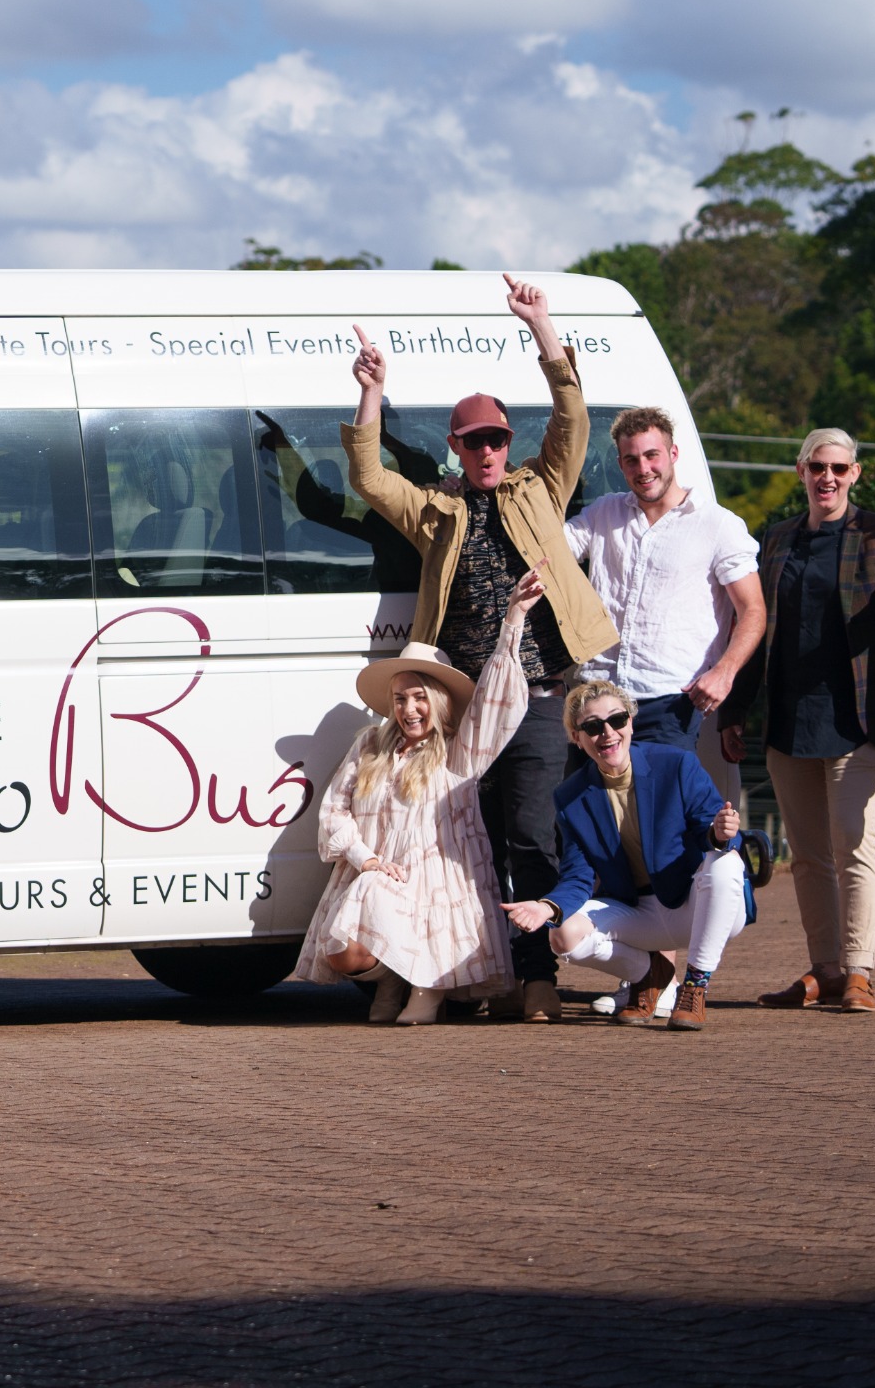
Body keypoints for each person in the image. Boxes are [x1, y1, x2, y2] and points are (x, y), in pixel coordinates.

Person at [341, 276, 621, 1024]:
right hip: (460, 703)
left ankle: (535, 980)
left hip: (534, 697)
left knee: (530, 840)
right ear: (457, 448)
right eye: (475, 441)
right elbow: (368, 477)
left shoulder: (542, 487)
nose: (490, 450)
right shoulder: (437, 508)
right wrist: (372, 391)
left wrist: (541, 326)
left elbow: (573, 416)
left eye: (498, 437)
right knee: (458, 846)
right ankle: (470, 974)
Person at [723, 428, 875, 1014]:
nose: (827, 477)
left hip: (858, 719)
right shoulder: (777, 540)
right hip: (790, 720)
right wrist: (736, 710)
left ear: (855, 473)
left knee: (854, 842)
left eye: (838, 468)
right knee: (807, 854)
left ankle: (860, 971)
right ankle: (827, 970)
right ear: (801, 470)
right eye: (816, 467)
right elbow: (755, 627)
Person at [295, 573, 546, 1025]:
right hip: (380, 871)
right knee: (342, 955)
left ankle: (426, 986)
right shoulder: (371, 744)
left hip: (436, 883)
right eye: (399, 699)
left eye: (418, 697)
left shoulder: (460, 751)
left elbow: (496, 699)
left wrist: (514, 620)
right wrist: (365, 858)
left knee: (406, 1005)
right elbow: (334, 807)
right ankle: (394, 977)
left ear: (438, 699)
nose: (409, 709)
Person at [505, 680, 750, 1031]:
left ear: (631, 723)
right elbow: (578, 874)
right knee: (562, 934)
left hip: (697, 906)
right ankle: (650, 973)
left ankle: (695, 986)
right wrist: (547, 907)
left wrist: (720, 833)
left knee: (725, 862)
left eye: (616, 720)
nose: (607, 733)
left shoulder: (677, 763)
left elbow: (711, 830)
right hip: (640, 913)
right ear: (577, 738)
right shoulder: (571, 795)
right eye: (592, 727)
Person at [564, 408, 764, 804]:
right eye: (632, 459)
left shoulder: (717, 524)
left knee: (663, 827)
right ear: (620, 463)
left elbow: (754, 611)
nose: (644, 468)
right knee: (591, 826)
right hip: (596, 696)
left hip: (668, 703)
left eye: (652, 455)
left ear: (673, 453)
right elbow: (546, 550)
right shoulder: (604, 513)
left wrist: (725, 672)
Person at [256, 409, 440, 633]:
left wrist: (282, 446)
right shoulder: (453, 515)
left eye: (385, 478)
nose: (379, 488)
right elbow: (319, 506)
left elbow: (317, 506)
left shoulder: (388, 521)